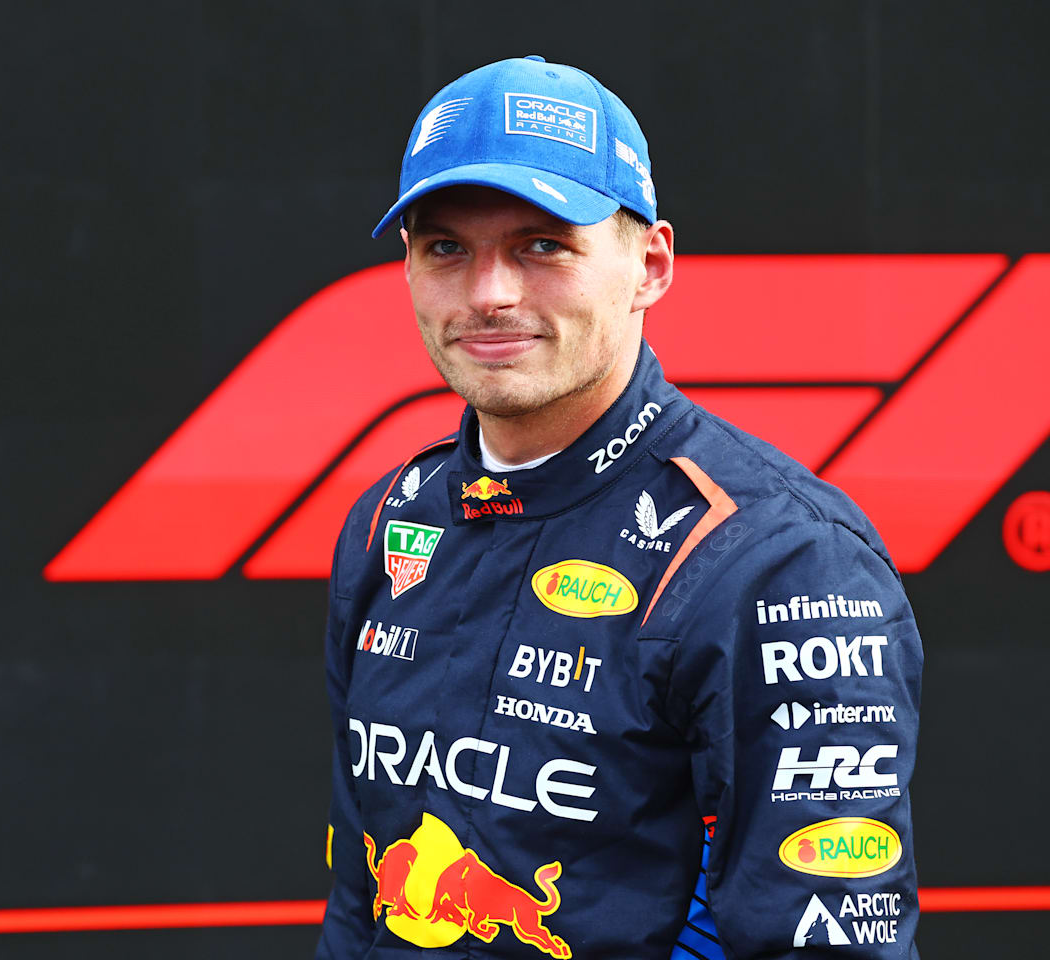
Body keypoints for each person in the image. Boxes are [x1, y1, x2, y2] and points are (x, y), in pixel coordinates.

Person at [315, 56, 921, 959]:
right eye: (447, 246)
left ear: (651, 265)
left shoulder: (779, 559)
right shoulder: (388, 521)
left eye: (542, 245)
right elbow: (361, 898)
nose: (489, 294)